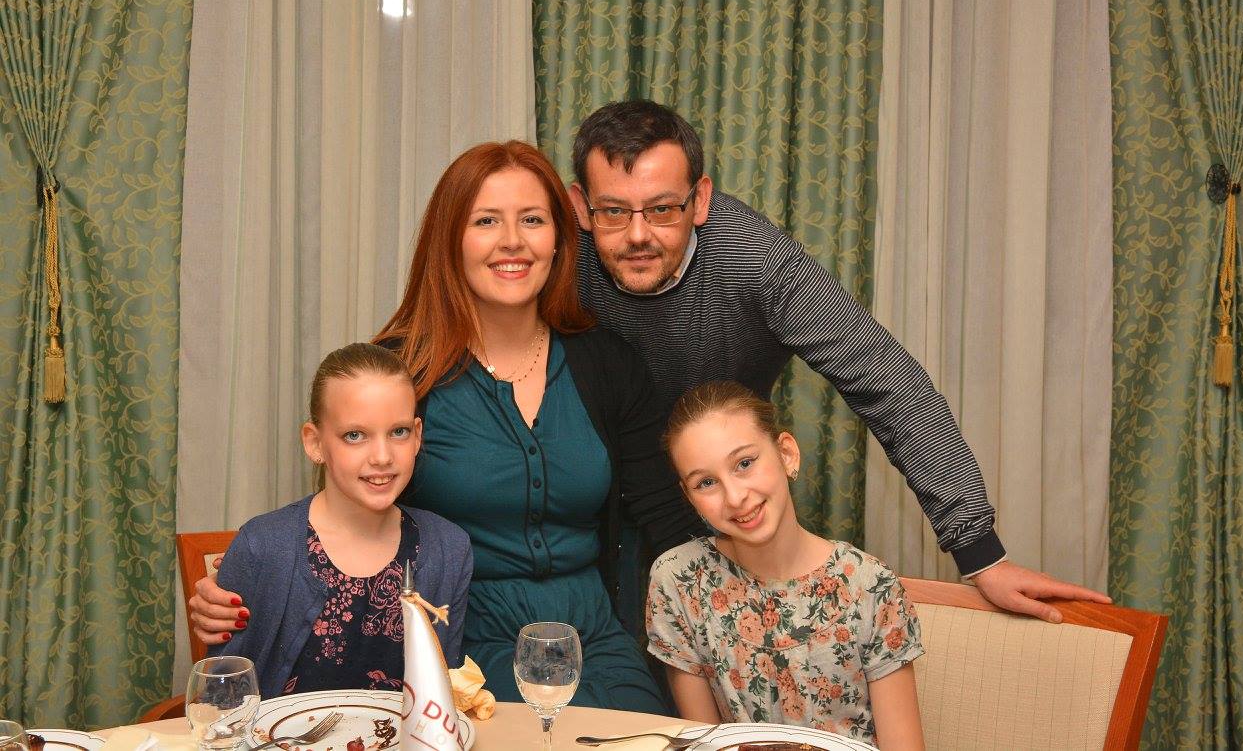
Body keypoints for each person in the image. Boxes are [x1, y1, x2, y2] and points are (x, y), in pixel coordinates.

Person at [195, 142, 705, 712]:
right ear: (451, 240)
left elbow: (667, 518)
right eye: (486, 221)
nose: (512, 241)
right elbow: (344, 509)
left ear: (560, 239)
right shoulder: (403, 368)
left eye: (532, 220)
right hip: (460, 645)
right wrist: (240, 589)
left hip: (598, 636)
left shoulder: (608, 364)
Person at [567, 99, 1111, 620]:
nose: (637, 235)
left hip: (720, 501)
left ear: (701, 199)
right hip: (587, 496)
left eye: (663, 209)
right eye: (613, 211)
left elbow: (891, 384)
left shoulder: (757, 259)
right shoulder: (559, 254)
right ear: (580, 207)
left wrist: (981, 553)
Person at [647, 381, 924, 749]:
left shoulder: (871, 585)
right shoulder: (679, 580)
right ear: (689, 496)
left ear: (787, 454)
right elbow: (705, 742)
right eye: (706, 482)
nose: (735, 497)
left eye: (745, 463)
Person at [208, 342, 473, 698]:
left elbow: (448, 695)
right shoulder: (262, 546)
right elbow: (220, 701)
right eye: (355, 435)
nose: (382, 456)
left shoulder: (449, 549)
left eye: (398, 432)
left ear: (418, 435)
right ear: (315, 443)